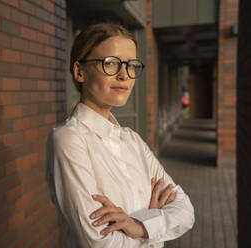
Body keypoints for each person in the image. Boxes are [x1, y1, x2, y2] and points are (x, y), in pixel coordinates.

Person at [46, 23, 194, 248]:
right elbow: (100, 243)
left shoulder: (132, 140)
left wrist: (138, 225)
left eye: (132, 65)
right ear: (80, 71)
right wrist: (153, 223)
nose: (125, 75)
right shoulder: (69, 140)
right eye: (111, 63)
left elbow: (186, 211)